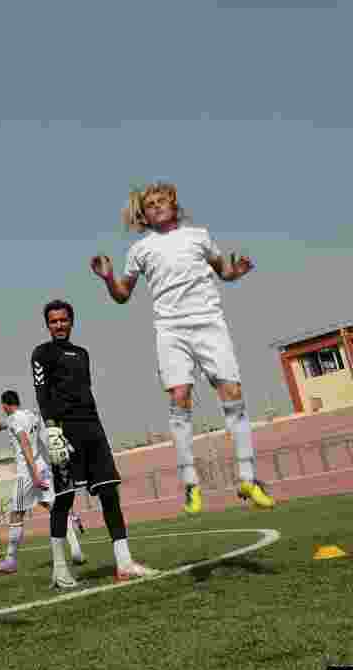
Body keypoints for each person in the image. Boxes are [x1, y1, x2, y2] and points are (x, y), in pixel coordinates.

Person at [91, 181, 274, 514]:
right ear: (143, 216)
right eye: (151, 204)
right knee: (179, 396)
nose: (157, 206)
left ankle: (248, 477)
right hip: (171, 330)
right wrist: (107, 278)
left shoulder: (199, 236)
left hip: (209, 324)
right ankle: (191, 484)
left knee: (232, 393)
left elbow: (224, 272)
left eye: (163, 201)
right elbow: (122, 295)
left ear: (174, 206)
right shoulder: (140, 250)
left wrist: (238, 272)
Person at [32, 300, 156, 589]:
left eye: (63, 320)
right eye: (53, 321)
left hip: (93, 430)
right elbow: (41, 393)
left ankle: (124, 563)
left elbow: (84, 391)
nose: (59, 325)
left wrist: (96, 428)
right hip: (63, 433)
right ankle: (60, 569)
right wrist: (51, 428)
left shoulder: (82, 354)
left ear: (71, 321)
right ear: (47, 325)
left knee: (110, 493)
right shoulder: (42, 353)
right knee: (63, 499)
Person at [0, 390, 85, 574]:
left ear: (5, 405)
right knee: (55, 508)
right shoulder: (31, 415)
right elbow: (6, 426)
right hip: (43, 467)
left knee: (16, 513)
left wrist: (34, 473)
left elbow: (24, 443)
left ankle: (11, 560)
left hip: (28, 472)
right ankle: (76, 550)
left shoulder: (14, 419)